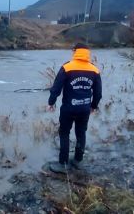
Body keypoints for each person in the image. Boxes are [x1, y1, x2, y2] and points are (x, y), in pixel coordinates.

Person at [47, 43, 102, 173]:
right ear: (88, 53)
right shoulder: (94, 70)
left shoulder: (67, 67)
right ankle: (78, 160)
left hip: (68, 108)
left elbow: (56, 88)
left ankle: (63, 164)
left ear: (74, 52)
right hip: (84, 109)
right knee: (81, 133)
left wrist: (51, 102)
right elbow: (98, 93)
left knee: (64, 133)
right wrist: (94, 106)